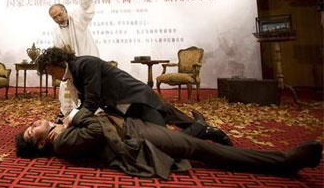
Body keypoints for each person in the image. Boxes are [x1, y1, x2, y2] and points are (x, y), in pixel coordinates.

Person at [15, 108, 323, 179]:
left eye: (30, 125)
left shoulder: (62, 133)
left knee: (188, 138)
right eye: (31, 131)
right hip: (137, 140)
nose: (33, 123)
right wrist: (74, 115)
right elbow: (96, 129)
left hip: (133, 127)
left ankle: (199, 128)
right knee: (204, 151)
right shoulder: (63, 143)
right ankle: (285, 162)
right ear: (41, 145)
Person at [37, 47, 232, 146]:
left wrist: (67, 124)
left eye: (49, 70)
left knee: (165, 135)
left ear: (59, 62)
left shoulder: (85, 64)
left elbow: (91, 101)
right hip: (123, 106)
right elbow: (83, 103)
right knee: (164, 129)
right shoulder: (74, 74)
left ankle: (202, 129)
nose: (50, 75)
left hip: (135, 97)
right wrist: (64, 120)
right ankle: (201, 128)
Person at [49, 0, 99, 117]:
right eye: (55, 17)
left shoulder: (77, 17)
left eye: (60, 14)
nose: (59, 19)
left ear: (65, 11)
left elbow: (86, 6)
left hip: (88, 61)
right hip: (72, 68)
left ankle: (92, 113)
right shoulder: (56, 31)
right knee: (68, 89)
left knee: (91, 91)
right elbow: (59, 51)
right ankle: (69, 113)